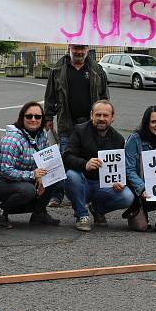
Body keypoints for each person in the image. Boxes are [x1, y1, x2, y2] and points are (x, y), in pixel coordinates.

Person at [44, 43, 110, 207]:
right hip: (67, 124)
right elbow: (50, 95)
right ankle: (57, 195)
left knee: (89, 160)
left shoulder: (97, 70)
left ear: (87, 49)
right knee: (62, 160)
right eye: (76, 48)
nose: (79, 52)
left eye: (82, 48)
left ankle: (85, 195)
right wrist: (48, 117)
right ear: (69, 48)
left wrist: (105, 116)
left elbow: (104, 96)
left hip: (91, 126)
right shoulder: (57, 69)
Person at [0, 101, 62, 227]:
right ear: (22, 118)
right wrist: (33, 175)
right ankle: (0, 212)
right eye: (29, 116)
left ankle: (39, 213)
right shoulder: (11, 140)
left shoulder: (42, 134)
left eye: (37, 117)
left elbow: (45, 161)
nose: (33, 119)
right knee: (28, 190)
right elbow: (6, 171)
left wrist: (42, 178)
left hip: (23, 177)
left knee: (55, 175)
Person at [63, 100, 135, 232]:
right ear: (91, 115)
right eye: (98, 115)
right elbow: (67, 157)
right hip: (82, 183)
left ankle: (97, 210)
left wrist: (119, 181)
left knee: (127, 197)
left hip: (103, 186)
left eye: (105, 115)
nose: (101, 118)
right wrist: (85, 164)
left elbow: (121, 167)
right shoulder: (79, 130)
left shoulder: (118, 139)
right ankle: (82, 215)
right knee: (71, 175)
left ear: (112, 118)